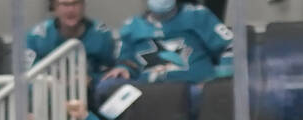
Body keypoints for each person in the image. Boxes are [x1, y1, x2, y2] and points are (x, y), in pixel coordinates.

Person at [98, 1, 233, 103]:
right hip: (148, 94)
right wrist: (123, 67)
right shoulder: (132, 27)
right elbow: (126, 61)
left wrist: (218, 82)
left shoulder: (198, 16)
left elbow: (230, 47)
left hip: (196, 89)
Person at [26, 1, 117, 82]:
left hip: (91, 93)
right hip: (49, 93)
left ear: (83, 5)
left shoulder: (101, 34)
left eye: (75, 3)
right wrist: (50, 83)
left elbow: (114, 68)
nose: (71, 10)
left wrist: (92, 79)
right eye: (65, 4)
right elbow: (27, 75)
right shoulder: (37, 36)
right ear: (54, 7)